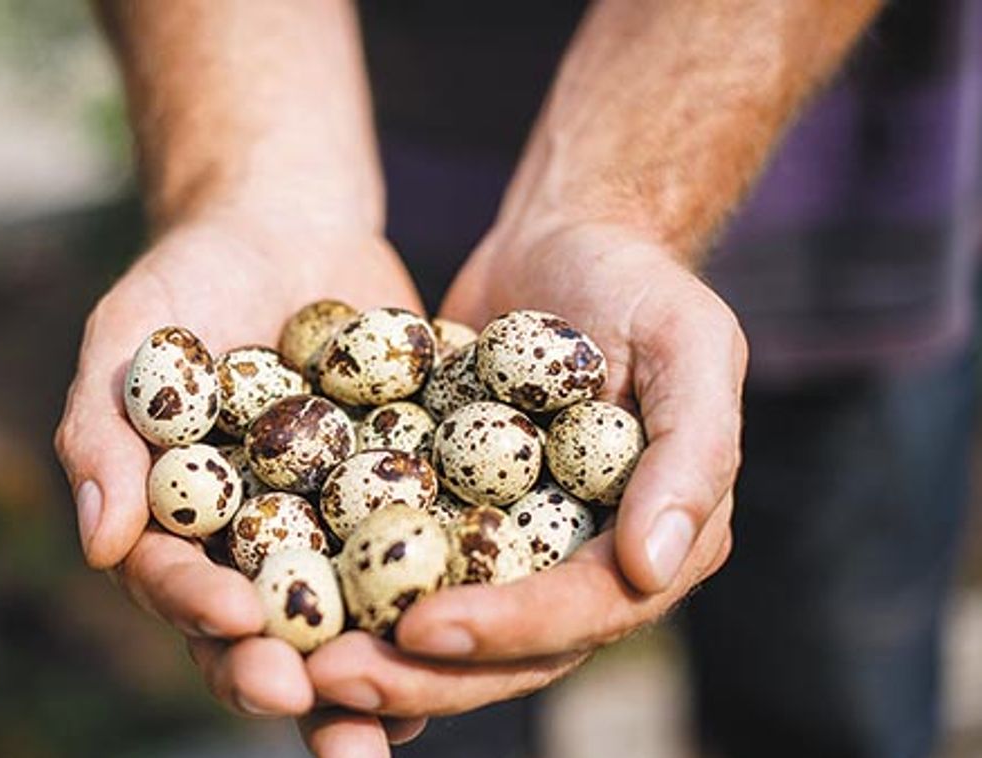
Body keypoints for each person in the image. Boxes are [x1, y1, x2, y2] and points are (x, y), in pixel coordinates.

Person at [55, 2, 981, 756]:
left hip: (838, 228)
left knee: (827, 708)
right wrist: (252, 189)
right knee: (422, 697)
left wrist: (614, 208)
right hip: (358, 191)